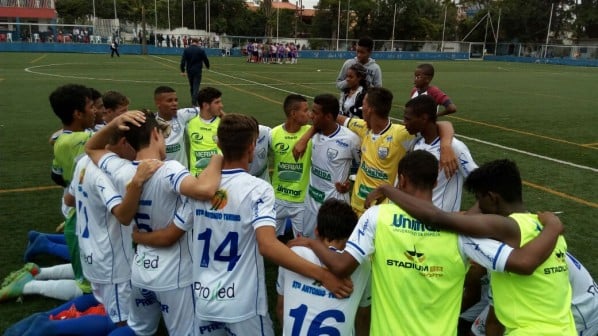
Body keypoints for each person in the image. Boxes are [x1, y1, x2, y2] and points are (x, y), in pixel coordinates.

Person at [290, 150, 568, 335]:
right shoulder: (462, 233)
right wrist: (553, 227)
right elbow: (517, 262)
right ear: (436, 183)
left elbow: (341, 266)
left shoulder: (377, 217)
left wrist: (311, 244)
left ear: (401, 180)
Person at [133, 114, 352, 336]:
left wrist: (139, 237)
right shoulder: (258, 189)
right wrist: (323, 275)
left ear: (218, 144)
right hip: (242, 305)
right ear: (252, 145)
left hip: (204, 300)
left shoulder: (198, 188)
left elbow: (170, 235)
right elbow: (267, 246)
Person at [366, 157, 577, 335]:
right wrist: (552, 226)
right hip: (567, 330)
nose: (476, 207)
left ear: (492, 198)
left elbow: (435, 217)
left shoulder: (507, 227)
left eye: (478, 199)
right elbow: (469, 216)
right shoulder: (544, 228)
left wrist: (387, 189)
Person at [85, 111, 223, 336]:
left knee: (138, 330)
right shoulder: (169, 169)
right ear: (155, 134)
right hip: (174, 276)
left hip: (140, 271)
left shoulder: (121, 170)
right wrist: (219, 156)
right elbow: (205, 190)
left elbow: (91, 148)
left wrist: (114, 124)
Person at [295, 87, 457, 217]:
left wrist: (446, 145)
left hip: (380, 210)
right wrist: (306, 136)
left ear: (370, 109)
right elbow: (329, 118)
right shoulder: (362, 127)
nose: (361, 108)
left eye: (363, 105)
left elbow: (439, 125)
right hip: (355, 204)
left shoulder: (401, 133)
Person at [277, 199, 371, 336]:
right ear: (351, 237)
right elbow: (362, 319)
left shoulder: (292, 255)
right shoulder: (363, 265)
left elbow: (281, 309)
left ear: (316, 231)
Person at [470, 252, 598, 336]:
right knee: (477, 331)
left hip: (580, 313)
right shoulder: (499, 253)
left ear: (473, 263)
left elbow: (495, 323)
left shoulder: (504, 267)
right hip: (546, 303)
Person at [49, 84, 96, 294]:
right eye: (91, 106)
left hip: (74, 201)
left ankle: (38, 272)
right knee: (87, 282)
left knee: (89, 263)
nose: (95, 111)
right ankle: (30, 285)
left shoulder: (61, 140)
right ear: (78, 113)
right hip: (81, 210)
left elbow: (56, 175)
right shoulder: (84, 139)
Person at [403, 94, 477, 211]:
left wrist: (468, 215)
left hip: (441, 224)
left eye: (408, 119)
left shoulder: (454, 148)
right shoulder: (416, 143)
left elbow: (481, 184)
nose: (404, 123)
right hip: (416, 222)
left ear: (424, 118)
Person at [302, 94, 360, 238]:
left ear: (328, 117)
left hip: (335, 205)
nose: (310, 115)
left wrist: (349, 182)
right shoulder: (313, 134)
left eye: (315, 112)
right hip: (311, 200)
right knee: (309, 243)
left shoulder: (350, 139)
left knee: (332, 246)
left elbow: (361, 165)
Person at [270, 94, 313, 236]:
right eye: (305, 110)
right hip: (277, 198)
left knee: (302, 245)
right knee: (267, 239)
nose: (309, 114)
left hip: (301, 201)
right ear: (293, 114)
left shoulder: (311, 133)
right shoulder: (274, 133)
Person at [153, 86, 198, 167]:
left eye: (176, 100)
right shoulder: (151, 122)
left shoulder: (181, 115)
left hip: (181, 174)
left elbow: (206, 108)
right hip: (160, 174)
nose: (174, 103)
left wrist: (223, 116)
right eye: (169, 101)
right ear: (158, 103)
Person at [187, 87, 223, 176]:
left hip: (217, 175)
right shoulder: (190, 123)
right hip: (196, 177)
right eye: (217, 102)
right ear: (206, 105)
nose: (221, 105)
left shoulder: (223, 124)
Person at [180, 37, 210, 106]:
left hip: (189, 70)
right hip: (197, 71)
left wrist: (182, 70)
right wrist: (207, 66)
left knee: (191, 86)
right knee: (196, 86)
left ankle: (193, 100)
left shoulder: (186, 50)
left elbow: (183, 61)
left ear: (191, 42)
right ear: (198, 42)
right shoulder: (201, 50)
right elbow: (205, 59)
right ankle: (194, 101)